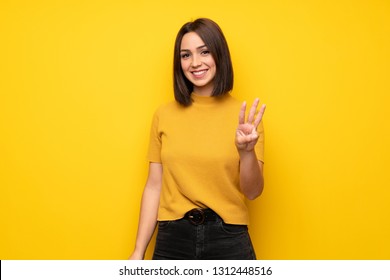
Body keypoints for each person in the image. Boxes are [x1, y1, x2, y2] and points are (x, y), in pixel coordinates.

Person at [129, 18, 266, 260]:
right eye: (185, 55)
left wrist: (246, 152)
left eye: (204, 52)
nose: (195, 63)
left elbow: (253, 192)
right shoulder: (164, 115)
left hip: (228, 238)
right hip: (173, 238)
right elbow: (154, 186)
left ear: (219, 54)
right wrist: (138, 252)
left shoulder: (247, 120)